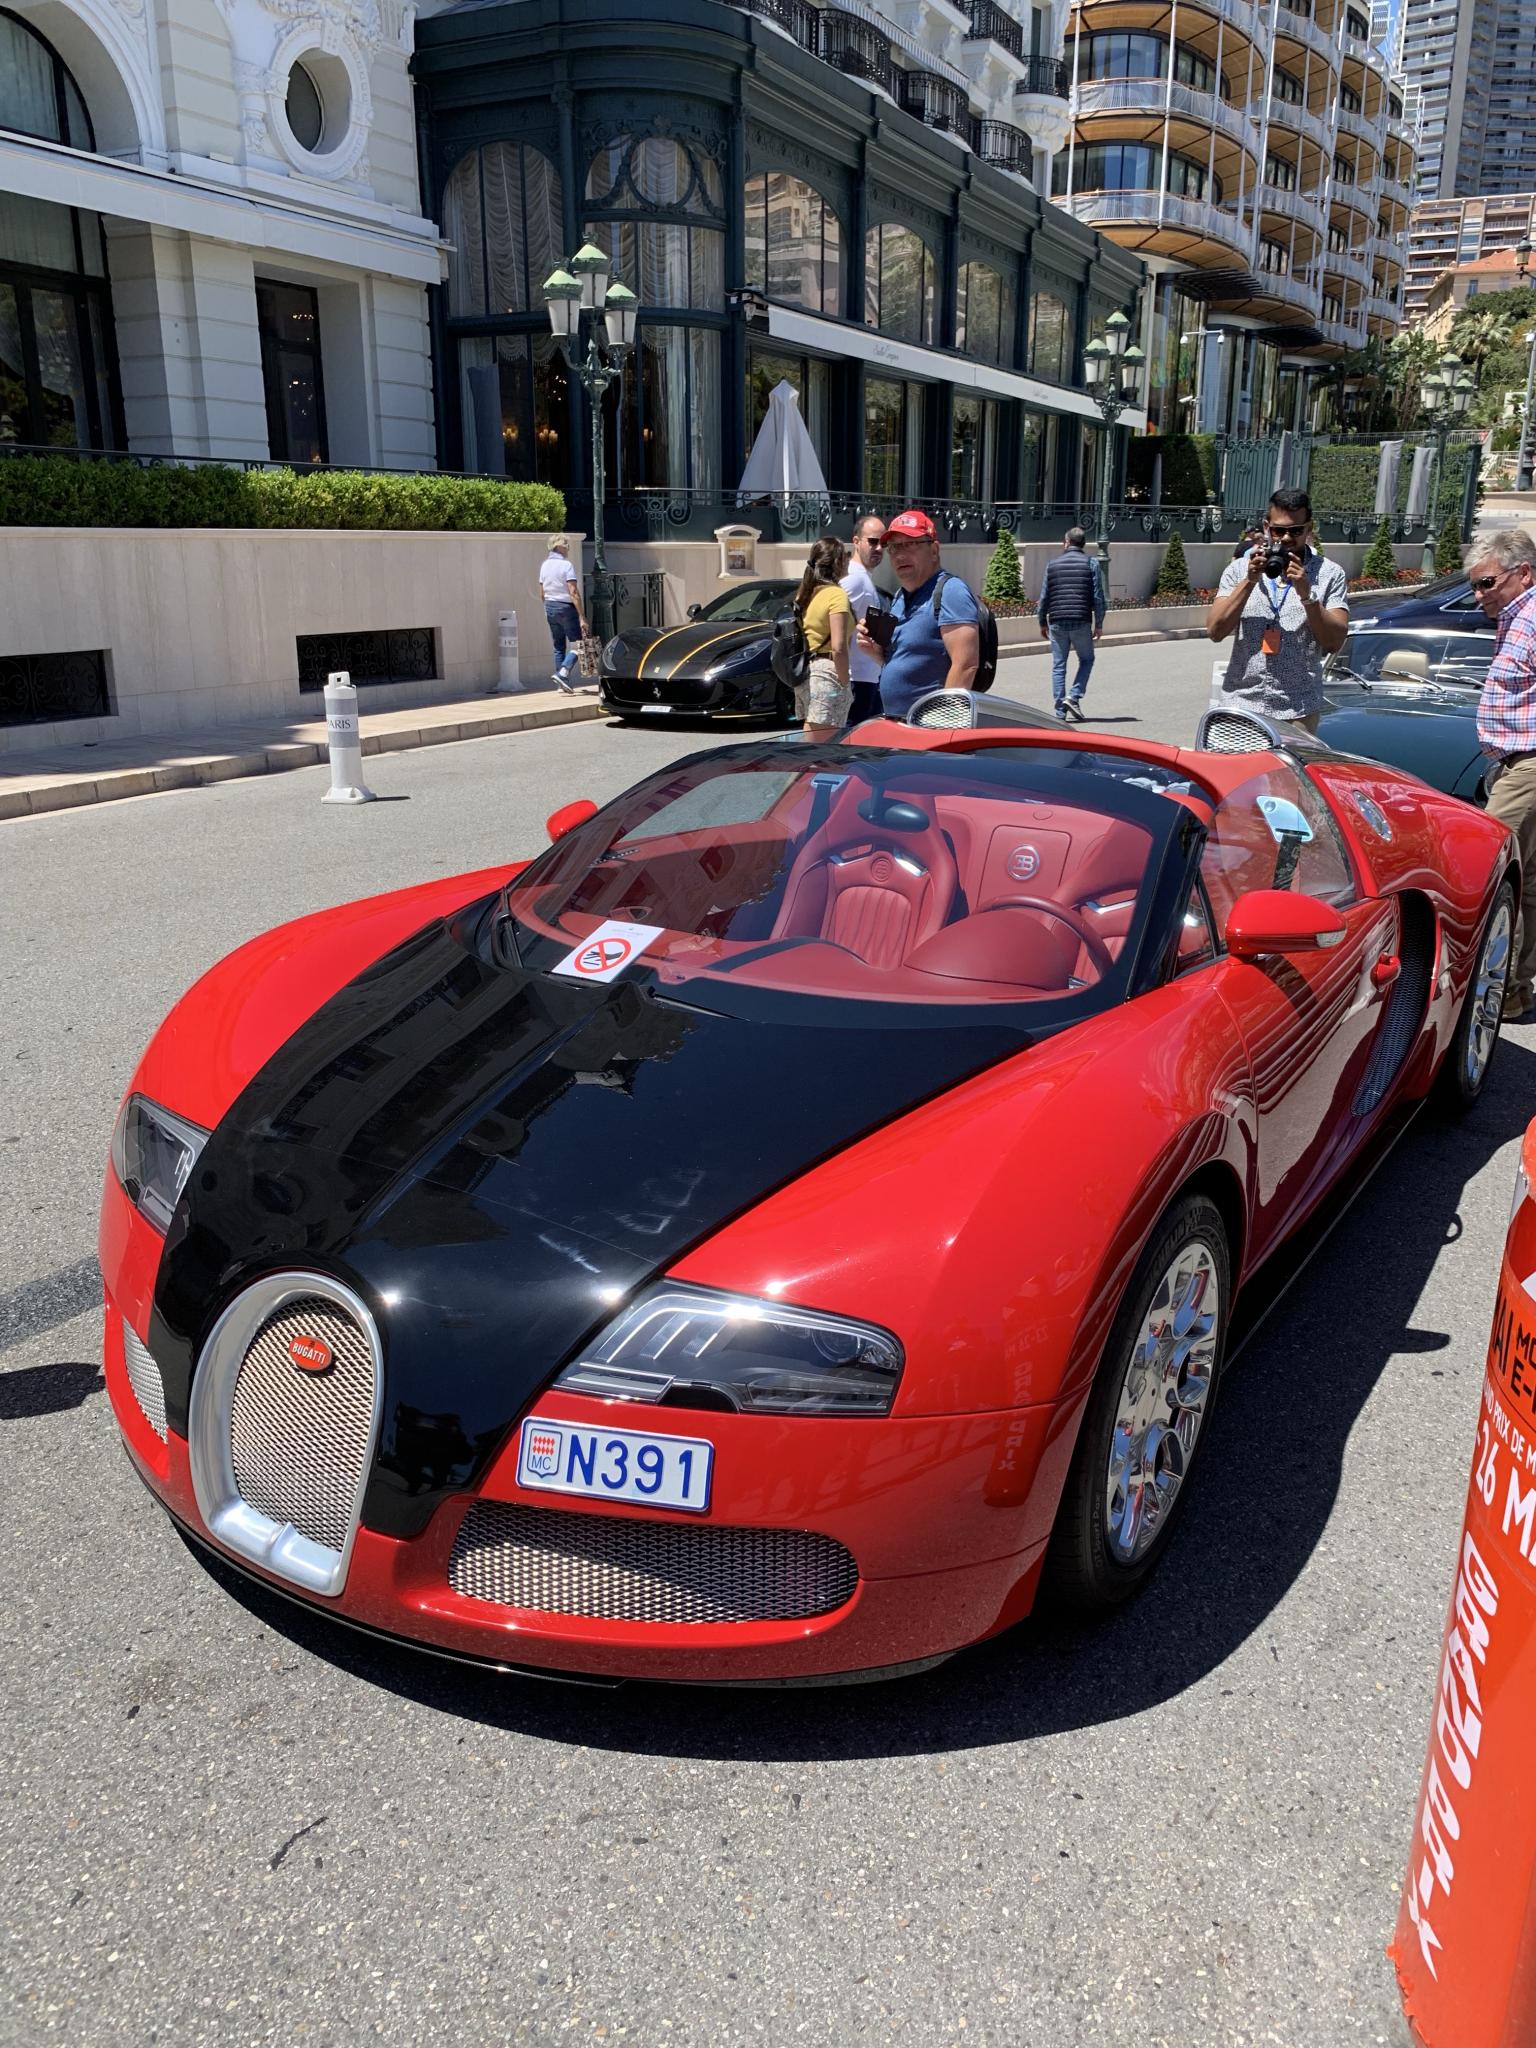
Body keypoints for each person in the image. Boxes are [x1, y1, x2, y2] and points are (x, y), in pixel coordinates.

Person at [1207, 488, 1348, 732]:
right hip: (1241, 704)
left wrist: (1307, 596)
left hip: (1298, 709)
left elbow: (1334, 641)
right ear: (1266, 527)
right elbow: (1215, 631)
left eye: (1296, 530)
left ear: (1309, 528)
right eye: (1278, 530)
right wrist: (1249, 581)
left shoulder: (1330, 574)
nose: (1286, 538)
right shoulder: (1239, 570)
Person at [1467, 527, 1536, 1021]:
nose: (1478, 595)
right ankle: (1513, 990)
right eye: (1475, 585)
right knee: (1526, 882)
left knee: (1491, 871)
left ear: (1523, 573)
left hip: (1530, 766)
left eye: (1487, 583)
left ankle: (1492, 988)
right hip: (1517, 763)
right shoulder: (1516, 618)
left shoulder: (1532, 618)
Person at [856, 508, 980, 721]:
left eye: (910, 544)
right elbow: (901, 659)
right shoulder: (899, 597)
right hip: (899, 724)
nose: (900, 555)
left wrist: (944, 724)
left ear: (934, 550)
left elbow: (966, 664)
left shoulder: (951, 591)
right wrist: (874, 651)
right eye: (894, 547)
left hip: (930, 728)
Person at [1037, 526, 1105, 723]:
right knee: (1087, 659)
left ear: (1066, 542)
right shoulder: (1092, 564)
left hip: (1057, 620)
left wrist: (1042, 622)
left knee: (1059, 665)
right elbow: (1098, 597)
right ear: (1083, 544)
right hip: (1081, 620)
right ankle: (1073, 696)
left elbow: (1044, 597)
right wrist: (1099, 623)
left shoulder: (1052, 565)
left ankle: (1060, 712)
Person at [794, 536, 853, 741]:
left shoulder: (806, 593)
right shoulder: (836, 595)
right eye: (846, 555)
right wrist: (844, 681)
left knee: (815, 740)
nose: (849, 559)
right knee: (820, 750)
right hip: (828, 673)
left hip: (807, 672)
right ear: (838, 562)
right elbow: (838, 647)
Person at [841, 514, 886, 724]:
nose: (879, 548)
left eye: (883, 543)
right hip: (856, 680)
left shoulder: (863, 578)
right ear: (856, 542)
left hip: (867, 678)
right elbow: (830, 622)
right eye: (873, 541)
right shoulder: (855, 579)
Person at [538, 535, 591, 694]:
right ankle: (563, 673)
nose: (568, 548)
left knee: (558, 646)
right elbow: (573, 592)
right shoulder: (566, 565)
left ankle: (561, 684)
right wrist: (582, 616)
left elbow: (542, 592)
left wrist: (547, 608)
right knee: (578, 643)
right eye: (566, 545)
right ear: (558, 547)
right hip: (566, 607)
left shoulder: (545, 565)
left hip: (550, 606)